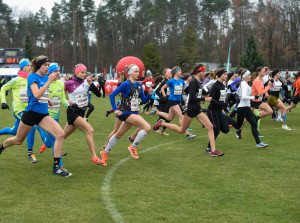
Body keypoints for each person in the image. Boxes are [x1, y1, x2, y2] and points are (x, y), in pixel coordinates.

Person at [0, 55, 72, 177]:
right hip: (31, 114)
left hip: (43, 115)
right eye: (45, 65)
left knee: (60, 134)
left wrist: (48, 99)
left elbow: (42, 93)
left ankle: (56, 167)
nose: (47, 67)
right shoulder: (32, 77)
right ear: (38, 66)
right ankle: (1, 147)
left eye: (48, 66)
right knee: (18, 140)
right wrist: (49, 81)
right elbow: (37, 94)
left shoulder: (45, 77)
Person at [153, 64, 224, 156]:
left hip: (197, 108)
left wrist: (208, 94)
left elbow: (187, 91)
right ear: (198, 72)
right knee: (181, 130)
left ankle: (213, 151)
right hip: (191, 109)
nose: (204, 73)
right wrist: (204, 99)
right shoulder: (194, 81)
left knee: (210, 126)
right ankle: (161, 123)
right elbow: (192, 98)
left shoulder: (198, 82)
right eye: (203, 71)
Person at [100, 64, 152, 166]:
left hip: (133, 113)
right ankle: (133, 146)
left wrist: (149, 95)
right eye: (136, 71)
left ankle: (105, 152)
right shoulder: (126, 84)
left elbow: (144, 100)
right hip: (125, 112)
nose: (138, 74)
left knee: (118, 135)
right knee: (147, 127)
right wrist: (115, 109)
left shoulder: (139, 85)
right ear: (130, 73)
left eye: (138, 72)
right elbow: (112, 95)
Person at [0, 58, 42, 163]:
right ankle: (30, 153)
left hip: (29, 109)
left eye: (30, 66)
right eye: (27, 66)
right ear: (22, 68)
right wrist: (3, 102)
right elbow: (3, 88)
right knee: (31, 126)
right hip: (19, 110)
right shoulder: (16, 80)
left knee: (14, 131)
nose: (29, 67)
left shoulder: (32, 79)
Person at [63, 64, 102, 165]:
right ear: (76, 72)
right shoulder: (69, 83)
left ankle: (47, 144)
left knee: (62, 135)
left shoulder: (86, 82)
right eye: (82, 72)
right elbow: (57, 92)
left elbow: (99, 95)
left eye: (85, 72)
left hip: (81, 113)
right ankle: (94, 156)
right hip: (73, 112)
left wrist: (91, 84)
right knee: (90, 130)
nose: (84, 74)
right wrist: (66, 101)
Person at [226, 69, 269, 148]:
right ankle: (224, 116)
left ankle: (258, 143)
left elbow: (239, 94)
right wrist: (254, 97)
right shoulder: (244, 85)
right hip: (242, 108)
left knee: (254, 123)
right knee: (237, 126)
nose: (250, 76)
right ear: (245, 76)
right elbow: (244, 97)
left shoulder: (243, 83)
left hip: (246, 108)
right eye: (248, 75)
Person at [39, 63, 69, 162]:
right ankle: (59, 165)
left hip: (56, 115)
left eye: (58, 71)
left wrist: (70, 106)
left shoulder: (61, 83)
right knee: (55, 140)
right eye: (55, 71)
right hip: (45, 116)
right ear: (50, 73)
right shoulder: (45, 83)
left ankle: (58, 165)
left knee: (51, 142)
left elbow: (63, 99)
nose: (58, 73)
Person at [155, 66, 196, 139]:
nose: (181, 72)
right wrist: (164, 96)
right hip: (172, 101)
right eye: (179, 71)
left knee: (169, 117)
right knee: (181, 116)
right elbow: (162, 88)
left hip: (178, 101)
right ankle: (188, 134)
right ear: (175, 72)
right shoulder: (171, 81)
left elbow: (183, 91)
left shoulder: (181, 81)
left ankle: (157, 113)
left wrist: (190, 92)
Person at [236, 67, 273, 139]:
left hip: (259, 101)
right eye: (263, 71)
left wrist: (266, 93)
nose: (264, 73)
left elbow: (261, 90)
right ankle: (239, 131)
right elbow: (260, 92)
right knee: (246, 119)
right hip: (253, 101)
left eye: (265, 72)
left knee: (270, 111)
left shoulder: (261, 80)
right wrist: (268, 87)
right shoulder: (256, 80)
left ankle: (256, 118)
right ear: (259, 72)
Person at [205, 68, 230, 153]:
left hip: (219, 110)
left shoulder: (223, 85)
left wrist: (225, 106)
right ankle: (209, 148)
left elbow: (222, 99)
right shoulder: (215, 85)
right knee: (216, 129)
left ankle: (208, 125)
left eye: (226, 74)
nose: (226, 76)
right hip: (212, 110)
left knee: (226, 129)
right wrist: (222, 104)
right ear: (219, 75)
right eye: (224, 74)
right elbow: (210, 99)